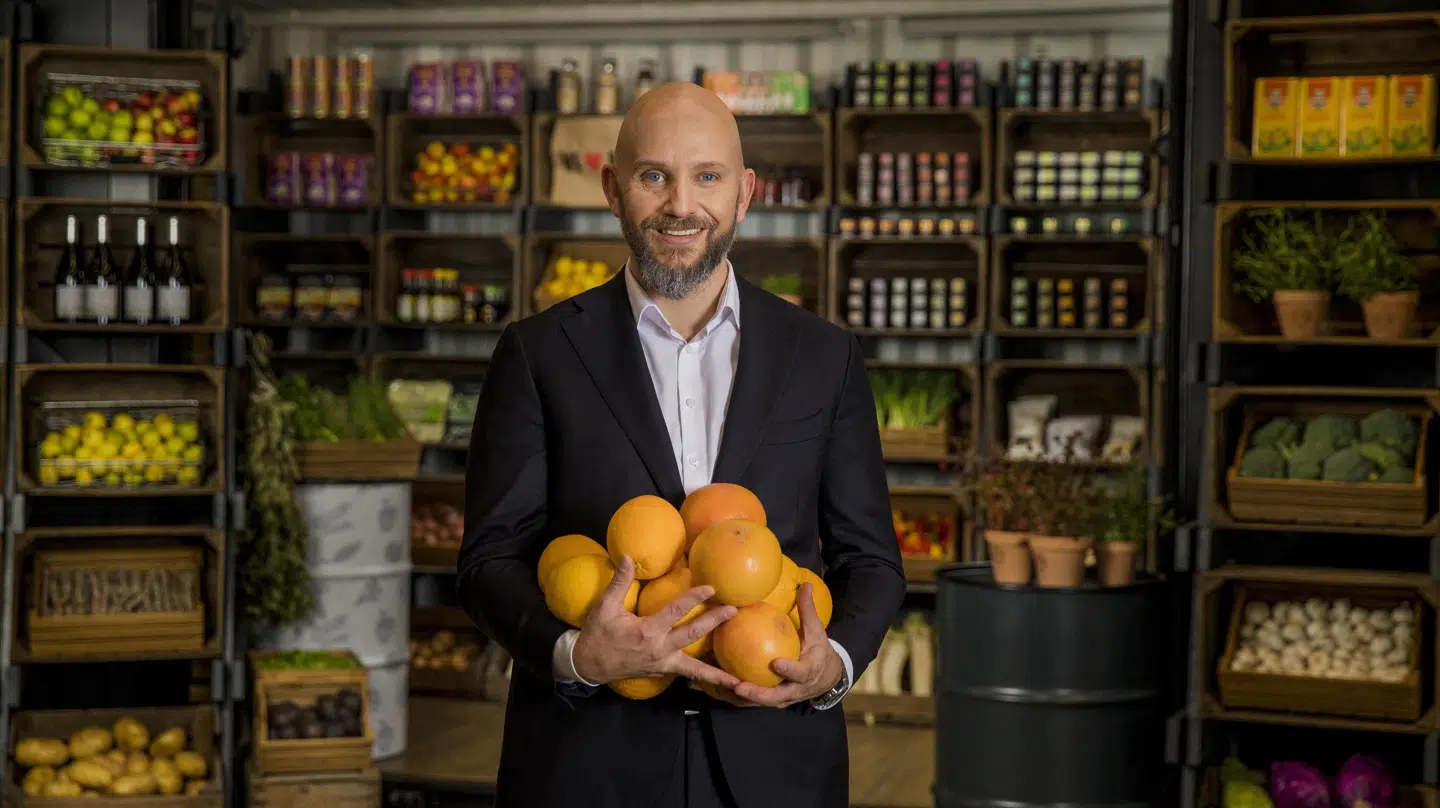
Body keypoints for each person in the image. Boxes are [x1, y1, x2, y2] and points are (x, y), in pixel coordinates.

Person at [458, 81, 905, 808]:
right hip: (587, 762)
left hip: (778, 766)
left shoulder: (823, 357)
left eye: (707, 176)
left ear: (744, 193)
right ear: (612, 187)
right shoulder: (538, 354)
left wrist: (837, 664)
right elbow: (487, 559)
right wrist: (577, 655)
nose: (680, 206)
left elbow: (871, 559)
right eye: (653, 176)